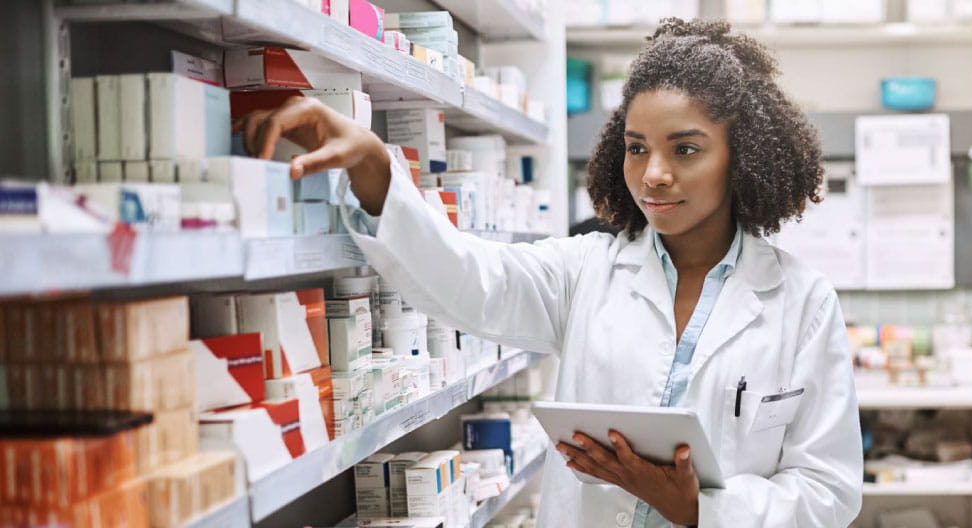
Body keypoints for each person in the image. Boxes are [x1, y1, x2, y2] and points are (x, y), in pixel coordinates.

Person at [235, 17, 862, 528]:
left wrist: (702, 508)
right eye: (638, 147)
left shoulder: (801, 302)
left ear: (742, 157)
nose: (653, 174)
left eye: (686, 149)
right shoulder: (586, 269)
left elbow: (828, 491)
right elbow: (469, 281)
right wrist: (375, 168)